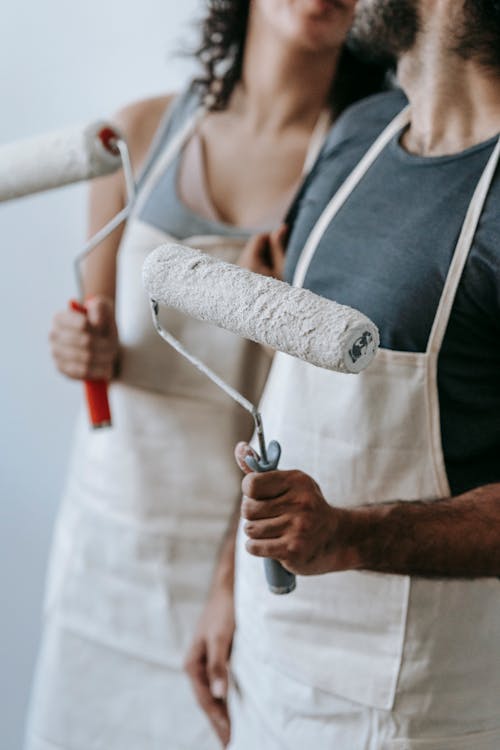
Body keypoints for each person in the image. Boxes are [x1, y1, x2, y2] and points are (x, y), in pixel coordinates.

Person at [24, 2, 392, 749]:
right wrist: (81, 345)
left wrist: (229, 585)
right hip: (105, 546)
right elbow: (95, 325)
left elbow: (318, 407)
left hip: (231, 565)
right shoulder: (137, 134)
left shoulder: (360, 172)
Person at [187, 1, 500, 747]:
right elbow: (288, 383)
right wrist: (228, 586)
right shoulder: (360, 133)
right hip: (266, 667)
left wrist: (354, 536)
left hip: (413, 708)